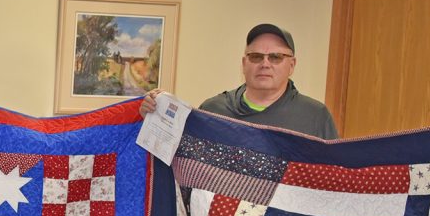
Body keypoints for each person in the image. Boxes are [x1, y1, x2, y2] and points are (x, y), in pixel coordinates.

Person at [143, 23, 338, 140]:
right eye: (255, 56)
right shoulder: (214, 110)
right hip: (222, 209)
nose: (265, 64)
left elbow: (333, 179)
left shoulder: (314, 116)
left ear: (292, 65)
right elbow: (179, 159)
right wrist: (152, 115)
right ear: (244, 63)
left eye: (276, 57)